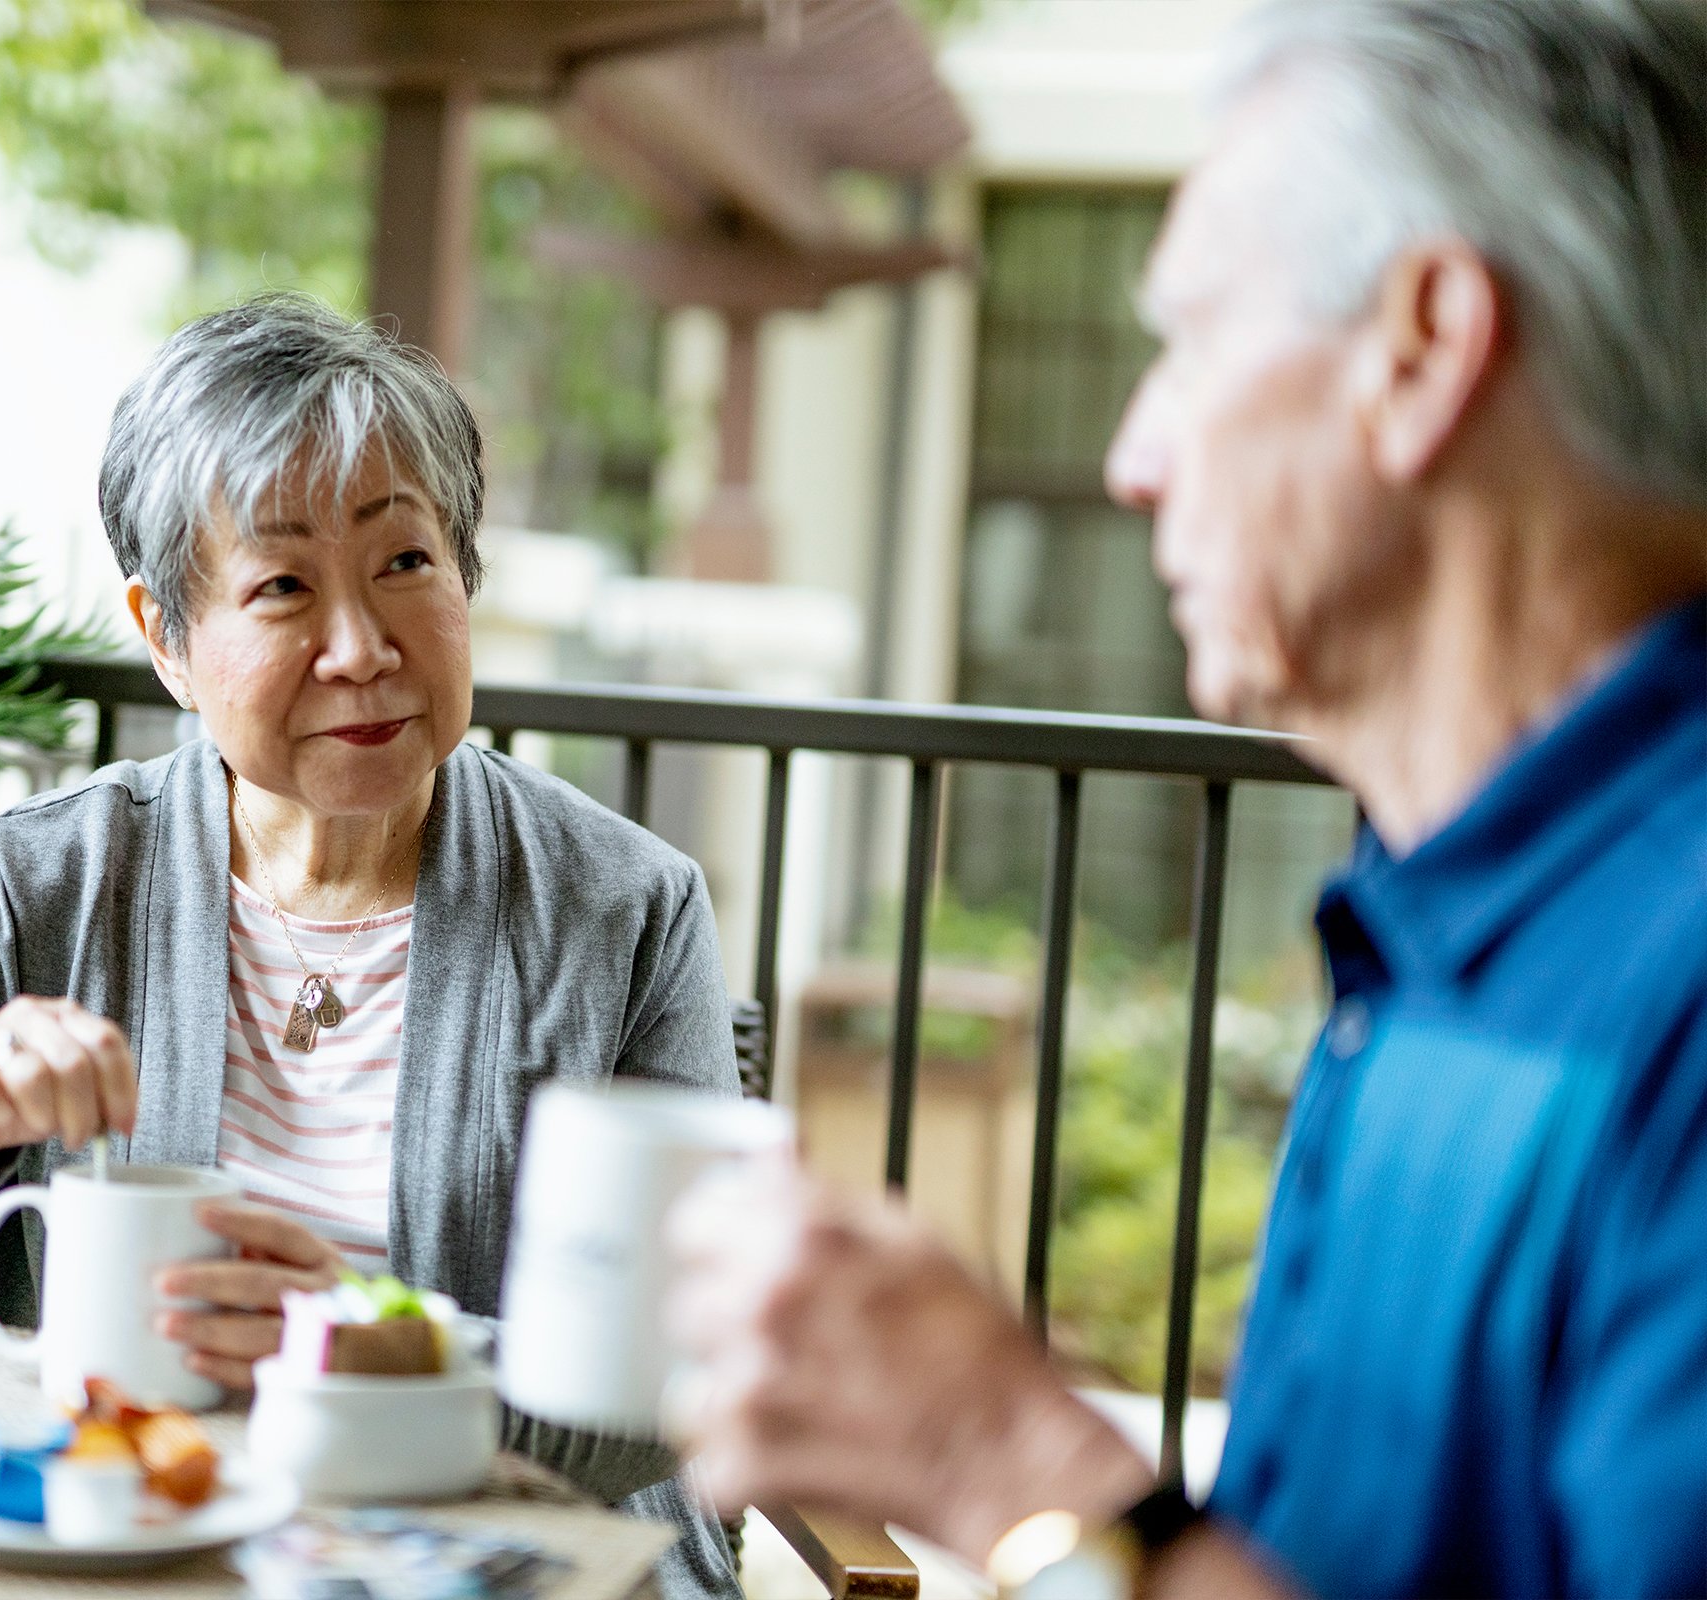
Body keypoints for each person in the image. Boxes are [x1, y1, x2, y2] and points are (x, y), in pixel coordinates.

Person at [665, 3, 1707, 1597]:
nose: (1135, 455)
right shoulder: (1437, 918)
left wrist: (1009, 1471)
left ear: (1421, 350)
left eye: (1193, 337)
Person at [0, 294, 744, 1599]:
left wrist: (377, 1359)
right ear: (167, 638)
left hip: (508, 1564)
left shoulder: (623, 905)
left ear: (466, 577)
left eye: (407, 563)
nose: (361, 648)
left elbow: (693, 1370)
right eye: (283, 587)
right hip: (139, 1557)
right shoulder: (59, 878)